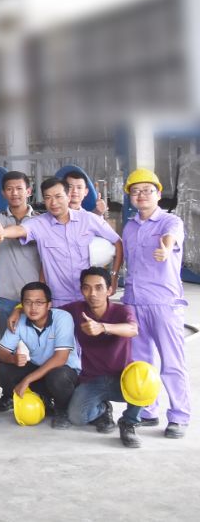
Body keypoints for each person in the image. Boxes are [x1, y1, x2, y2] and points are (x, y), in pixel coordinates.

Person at [120, 168, 189, 438]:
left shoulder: (170, 221)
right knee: (140, 362)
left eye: (147, 190)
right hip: (134, 302)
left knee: (172, 362)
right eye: (135, 191)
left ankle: (179, 417)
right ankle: (147, 410)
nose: (141, 195)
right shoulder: (129, 227)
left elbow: (171, 237)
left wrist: (166, 248)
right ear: (130, 197)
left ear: (158, 194)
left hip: (163, 303)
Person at [0, 177, 122, 307]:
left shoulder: (88, 219)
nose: (53, 202)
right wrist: (3, 233)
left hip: (88, 298)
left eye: (58, 196)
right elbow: (20, 229)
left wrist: (114, 276)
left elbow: (117, 242)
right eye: (48, 198)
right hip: (58, 301)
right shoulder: (39, 223)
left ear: (68, 196)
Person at [61, 267, 145, 447]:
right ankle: (103, 409)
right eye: (87, 288)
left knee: (146, 380)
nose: (93, 293)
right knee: (76, 417)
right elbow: (47, 311)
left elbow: (132, 329)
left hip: (122, 378)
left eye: (99, 287)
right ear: (81, 290)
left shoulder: (122, 311)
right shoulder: (77, 310)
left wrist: (103, 327)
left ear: (109, 290)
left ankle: (129, 422)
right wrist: (19, 310)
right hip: (92, 379)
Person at [0, 281, 79, 429]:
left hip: (64, 372)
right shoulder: (19, 320)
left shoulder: (63, 318)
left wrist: (27, 380)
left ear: (49, 305)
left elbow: (60, 358)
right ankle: (38, 399)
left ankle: (62, 409)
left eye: (39, 302)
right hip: (38, 369)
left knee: (58, 376)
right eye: (28, 302)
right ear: (22, 305)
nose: (33, 308)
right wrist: (13, 359)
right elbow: (0, 352)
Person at [0, 171, 42, 331]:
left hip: (33, 294)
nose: (15, 193)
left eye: (19, 188)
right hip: (4, 293)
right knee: (6, 339)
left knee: (33, 339)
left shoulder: (40, 221)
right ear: (3, 193)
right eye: (9, 189)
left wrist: (41, 288)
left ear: (28, 191)